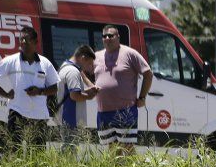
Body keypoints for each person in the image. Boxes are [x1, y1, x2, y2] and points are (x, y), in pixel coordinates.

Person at [0, 26, 59, 148]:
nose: (23, 42)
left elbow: (55, 88)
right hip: (17, 113)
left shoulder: (45, 63)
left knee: (37, 156)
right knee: (14, 152)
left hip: (39, 116)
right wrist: (5, 94)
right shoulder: (11, 61)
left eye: (27, 39)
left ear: (35, 42)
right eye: (21, 39)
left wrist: (40, 91)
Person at [92, 25, 152, 154]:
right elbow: (83, 72)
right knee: (112, 150)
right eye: (104, 36)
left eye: (111, 35)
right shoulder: (96, 56)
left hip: (125, 111)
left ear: (118, 37)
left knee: (127, 148)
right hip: (103, 112)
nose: (107, 38)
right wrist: (91, 87)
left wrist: (142, 97)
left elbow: (148, 74)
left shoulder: (130, 53)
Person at [57, 44, 98, 151]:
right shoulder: (72, 72)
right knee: (69, 151)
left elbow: (70, 91)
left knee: (68, 149)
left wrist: (88, 88)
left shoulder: (65, 66)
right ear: (83, 58)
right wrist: (89, 96)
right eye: (89, 63)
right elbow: (74, 95)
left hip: (65, 118)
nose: (88, 67)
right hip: (71, 119)